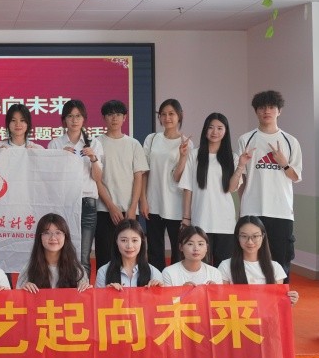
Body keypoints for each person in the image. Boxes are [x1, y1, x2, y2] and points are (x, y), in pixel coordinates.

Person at [218, 215, 299, 358]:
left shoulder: (274, 267)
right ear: (237, 238)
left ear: (263, 236)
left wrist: (290, 300)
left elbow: (278, 303)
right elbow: (221, 301)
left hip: (267, 322)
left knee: (273, 332)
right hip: (239, 322)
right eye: (244, 236)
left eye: (255, 236)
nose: (250, 241)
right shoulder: (226, 266)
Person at [16, 213, 90, 358]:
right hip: (40, 329)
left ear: (65, 236)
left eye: (58, 232)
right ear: (39, 238)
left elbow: (86, 308)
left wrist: (87, 293)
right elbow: (16, 305)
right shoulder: (30, 268)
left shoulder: (77, 268)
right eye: (47, 233)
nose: (53, 237)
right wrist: (24, 291)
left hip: (68, 328)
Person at [237, 90, 302, 282]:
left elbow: (295, 176)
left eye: (272, 107)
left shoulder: (291, 141)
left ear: (279, 111)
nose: (267, 111)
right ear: (256, 111)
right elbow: (242, 178)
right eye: (262, 107)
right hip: (252, 210)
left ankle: (281, 298)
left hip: (281, 211)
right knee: (250, 261)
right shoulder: (246, 139)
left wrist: (284, 163)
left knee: (281, 262)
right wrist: (243, 207)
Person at [95, 218, 162, 358]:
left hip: (144, 328)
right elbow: (97, 308)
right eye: (123, 240)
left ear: (142, 242)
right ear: (116, 242)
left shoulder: (153, 272)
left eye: (134, 240)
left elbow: (162, 310)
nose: (129, 246)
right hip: (116, 327)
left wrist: (158, 292)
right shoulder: (104, 271)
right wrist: (107, 295)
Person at [178, 113, 249, 266]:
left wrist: (241, 165)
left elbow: (231, 188)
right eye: (211, 127)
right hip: (201, 220)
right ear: (205, 130)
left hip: (225, 222)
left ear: (226, 131)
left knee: (223, 267)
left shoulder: (233, 157)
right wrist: (186, 218)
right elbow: (188, 189)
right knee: (201, 266)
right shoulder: (194, 155)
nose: (215, 132)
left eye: (219, 128)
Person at [48, 99, 103, 275]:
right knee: (61, 252)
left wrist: (93, 158)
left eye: (78, 116)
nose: (74, 120)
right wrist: (60, 158)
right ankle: (65, 287)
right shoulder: (56, 144)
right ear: (64, 119)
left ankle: (83, 288)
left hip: (87, 202)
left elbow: (98, 178)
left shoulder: (93, 143)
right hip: (64, 202)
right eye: (70, 116)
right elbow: (50, 179)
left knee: (84, 255)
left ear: (84, 119)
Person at [95, 99, 149, 271]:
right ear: (104, 118)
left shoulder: (133, 144)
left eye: (118, 114)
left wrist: (133, 207)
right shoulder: (97, 143)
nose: (114, 118)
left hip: (129, 210)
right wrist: (111, 206)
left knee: (130, 255)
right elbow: (96, 179)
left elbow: (138, 177)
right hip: (104, 209)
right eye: (110, 114)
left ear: (125, 118)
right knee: (105, 254)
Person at [140, 99, 192, 272]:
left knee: (178, 249)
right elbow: (144, 171)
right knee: (154, 249)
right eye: (163, 114)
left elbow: (180, 178)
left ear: (180, 116)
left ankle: (175, 282)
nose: (167, 118)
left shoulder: (186, 142)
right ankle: (157, 281)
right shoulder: (152, 139)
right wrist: (143, 200)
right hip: (153, 202)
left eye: (171, 114)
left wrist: (183, 156)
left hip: (175, 204)